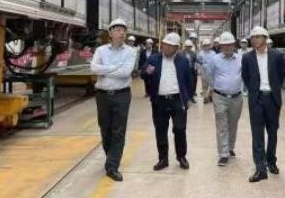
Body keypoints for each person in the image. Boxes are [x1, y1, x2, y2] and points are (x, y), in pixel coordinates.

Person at [89, 18, 137, 182]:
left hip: (122, 95)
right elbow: (94, 68)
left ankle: (112, 166)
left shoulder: (131, 51)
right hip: (102, 96)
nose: (121, 33)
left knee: (118, 130)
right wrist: (114, 68)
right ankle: (111, 157)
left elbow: (125, 72)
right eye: (117, 30)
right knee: (105, 128)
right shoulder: (101, 50)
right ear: (110, 33)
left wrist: (105, 70)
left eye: (123, 30)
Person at [141, 32, 193, 171]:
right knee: (160, 130)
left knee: (180, 129)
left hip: (177, 100)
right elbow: (143, 74)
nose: (168, 48)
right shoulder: (153, 59)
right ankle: (163, 159)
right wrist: (148, 71)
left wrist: (188, 98)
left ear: (177, 48)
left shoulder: (183, 61)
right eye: (166, 45)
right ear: (162, 45)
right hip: (160, 101)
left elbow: (189, 80)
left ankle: (181, 157)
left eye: (172, 46)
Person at [241, 26, 285, 182]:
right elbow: (245, 77)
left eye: (258, 37)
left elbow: (281, 76)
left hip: (272, 99)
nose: (254, 40)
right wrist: (255, 91)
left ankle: (271, 161)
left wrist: (273, 90)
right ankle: (260, 168)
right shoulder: (247, 57)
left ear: (265, 39)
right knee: (257, 134)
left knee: (272, 133)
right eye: (253, 38)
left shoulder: (277, 56)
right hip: (256, 99)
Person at [205, 31, 243, 166]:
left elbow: (245, 75)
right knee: (222, 125)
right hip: (220, 97)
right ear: (220, 46)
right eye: (224, 45)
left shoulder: (240, 59)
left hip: (237, 97)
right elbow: (209, 75)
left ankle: (230, 147)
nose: (227, 47)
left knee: (233, 124)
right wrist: (215, 88)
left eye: (229, 44)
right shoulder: (215, 59)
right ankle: (223, 153)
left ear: (234, 45)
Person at [196, 39, 214, 103]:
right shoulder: (200, 53)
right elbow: (198, 62)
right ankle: (205, 98)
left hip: (211, 73)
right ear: (203, 46)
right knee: (204, 86)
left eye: (208, 45)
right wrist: (199, 70)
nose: (206, 47)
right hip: (203, 72)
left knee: (212, 86)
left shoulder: (213, 53)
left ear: (210, 45)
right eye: (205, 45)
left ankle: (210, 95)